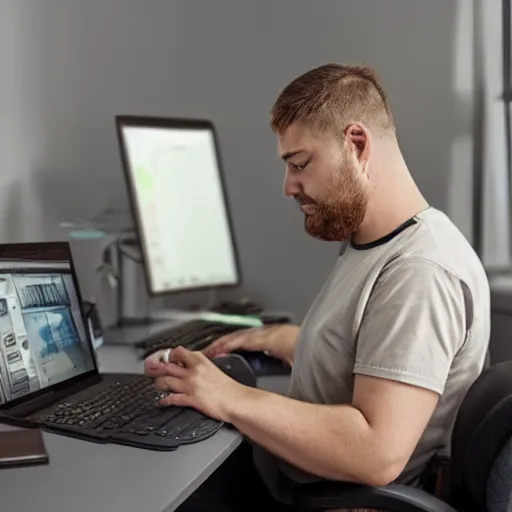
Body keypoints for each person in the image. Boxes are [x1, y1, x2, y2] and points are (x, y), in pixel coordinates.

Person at [144, 63, 491, 511]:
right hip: (298, 479)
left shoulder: (419, 270)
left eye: (301, 164)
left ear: (357, 144)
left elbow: (376, 453)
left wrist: (230, 397)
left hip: (327, 499)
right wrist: (296, 340)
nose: (289, 187)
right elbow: (374, 350)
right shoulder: (379, 244)